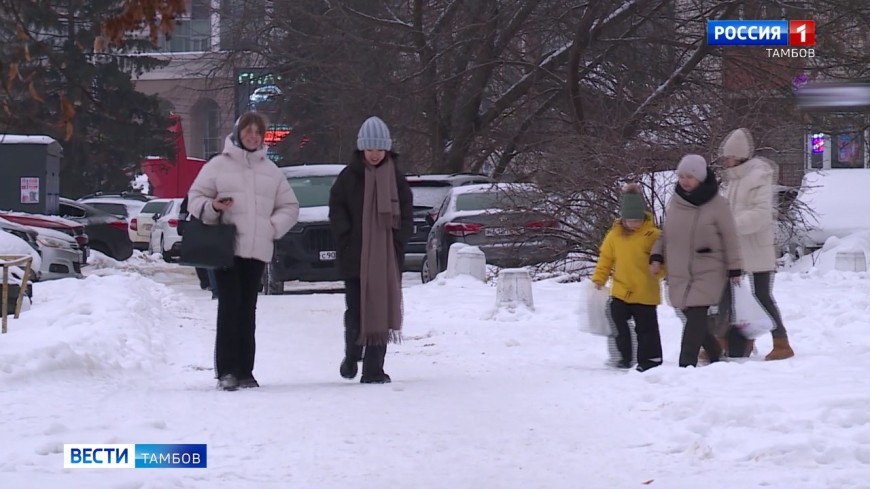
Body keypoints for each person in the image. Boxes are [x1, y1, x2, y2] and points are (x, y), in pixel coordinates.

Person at [188, 111, 300, 391]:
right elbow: (194, 199)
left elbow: (291, 207)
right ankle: (226, 371)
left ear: (262, 137)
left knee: (247, 310)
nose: (252, 136)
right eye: (247, 131)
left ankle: (246, 371)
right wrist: (213, 207)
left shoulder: (271, 171)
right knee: (229, 308)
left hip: (257, 251)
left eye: (257, 132)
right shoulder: (217, 166)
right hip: (227, 249)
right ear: (238, 134)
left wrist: (270, 228)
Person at [328, 116, 413, 384]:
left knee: (381, 310)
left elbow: (407, 216)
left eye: (379, 149)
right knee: (355, 311)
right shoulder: (348, 177)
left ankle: (374, 369)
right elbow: (337, 210)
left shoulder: (397, 179)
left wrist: (397, 243)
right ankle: (353, 353)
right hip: (355, 257)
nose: (374, 154)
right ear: (362, 149)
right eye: (370, 149)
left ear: (387, 149)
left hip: (386, 259)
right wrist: (346, 239)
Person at [650, 154, 743, 368]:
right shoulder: (676, 201)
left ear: (700, 178)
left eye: (690, 176)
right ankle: (715, 352)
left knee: (696, 315)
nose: (684, 181)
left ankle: (686, 365)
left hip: (709, 267)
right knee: (690, 313)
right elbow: (666, 234)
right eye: (681, 176)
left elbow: (730, 236)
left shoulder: (718, 204)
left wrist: (734, 267)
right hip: (679, 269)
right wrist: (656, 255)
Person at [718, 128, 795, 361]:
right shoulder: (732, 180)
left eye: (730, 156)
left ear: (740, 156)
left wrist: (731, 224)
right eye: (726, 156)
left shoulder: (758, 177)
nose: (727, 160)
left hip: (757, 249)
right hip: (735, 250)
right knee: (725, 295)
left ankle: (781, 342)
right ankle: (723, 343)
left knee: (761, 295)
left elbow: (762, 214)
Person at [590, 183, 664, 372]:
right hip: (621, 290)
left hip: (645, 289)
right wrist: (599, 278)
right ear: (623, 219)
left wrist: (659, 271)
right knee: (617, 322)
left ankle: (650, 359)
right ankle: (624, 356)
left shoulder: (652, 235)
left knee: (646, 328)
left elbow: (663, 258)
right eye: (629, 221)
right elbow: (606, 258)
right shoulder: (614, 236)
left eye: (637, 220)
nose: (633, 224)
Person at [178, 196, 218, 298]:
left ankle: (213, 285)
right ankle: (209, 283)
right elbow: (185, 206)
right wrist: (181, 222)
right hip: (201, 224)